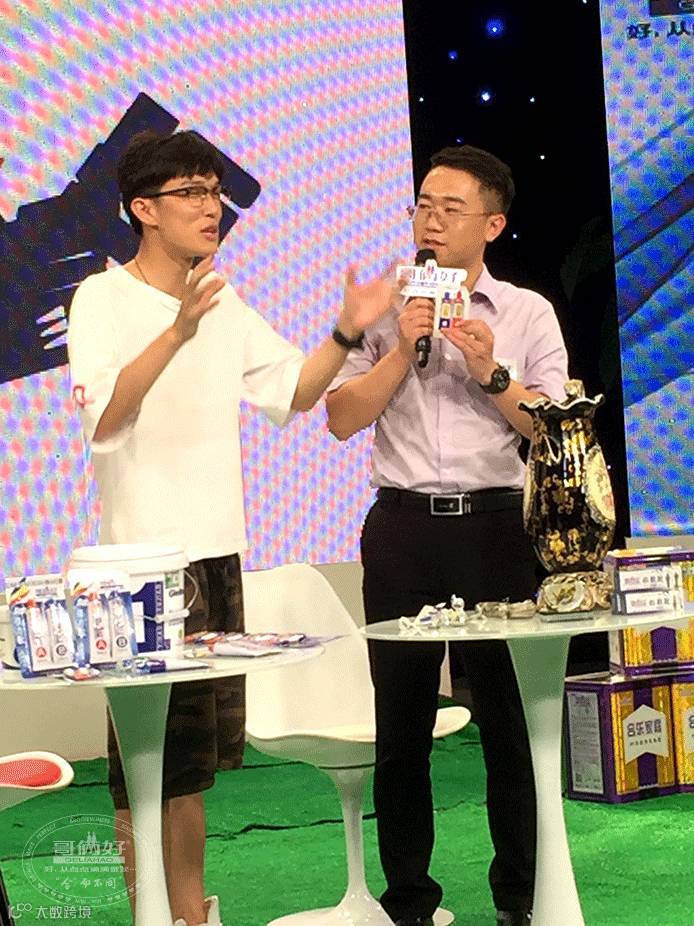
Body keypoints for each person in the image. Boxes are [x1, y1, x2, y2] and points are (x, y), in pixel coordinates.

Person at [67, 129, 395, 926]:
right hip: (141, 571)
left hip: (217, 556)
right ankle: (158, 914)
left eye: (215, 191)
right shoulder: (102, 298)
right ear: (144, 209)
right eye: (191, 192)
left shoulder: (222, 298)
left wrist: (347, 330)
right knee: (146, 767)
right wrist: (175, 332)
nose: (211, 207)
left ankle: (188, 912)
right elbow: (105, 421)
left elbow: (297, 392)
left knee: (195, 768)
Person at [326, 145, 569, 926]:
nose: (430, 220)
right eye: (422, 205)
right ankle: (410, 903)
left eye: (450, 208)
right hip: (401, 528)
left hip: (496, 527)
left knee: (507, 722)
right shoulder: (386, 310)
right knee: (401, 728)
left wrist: (492, 372)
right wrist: (401, 350)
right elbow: (340, 418)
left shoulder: (526, 312)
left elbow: (552, 432)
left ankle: (520, 900)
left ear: (492, 224)